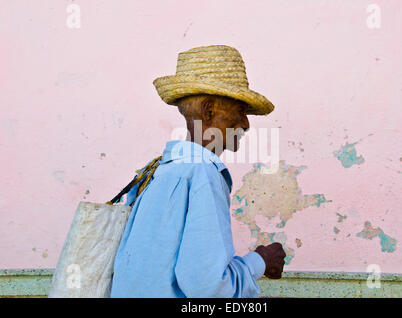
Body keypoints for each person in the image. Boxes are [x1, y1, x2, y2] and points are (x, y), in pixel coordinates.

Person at [110, 45, 286, 298]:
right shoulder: (203, 174)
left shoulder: (160, 170)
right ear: (209, 110)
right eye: (239, 111)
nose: (246, 123)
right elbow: (209, 287)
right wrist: (260, 260)